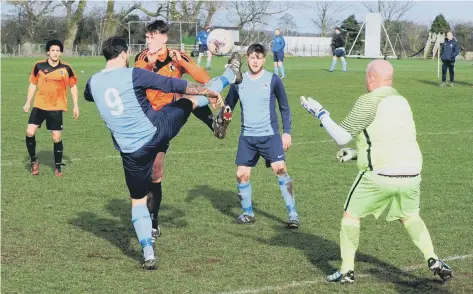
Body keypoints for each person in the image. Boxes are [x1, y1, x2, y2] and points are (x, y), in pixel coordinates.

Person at [300, 60, 453, 283]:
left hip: (380, 175)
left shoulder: (369, 101)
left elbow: (341, 136)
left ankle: (346, 271)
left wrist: (320, 113)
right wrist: (355, 153)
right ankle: (433, 259)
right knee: (410, 216)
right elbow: (388, 138)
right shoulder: (402, 101)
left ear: (371, 78)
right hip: (412, 173)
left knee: (351, 215)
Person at [84, 36, 223, 270]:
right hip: (154, 132)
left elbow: (89, 95)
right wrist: (207, 92)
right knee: (187, 101)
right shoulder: (133, 74)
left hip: (129, 152)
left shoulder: (93, 82)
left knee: (137, 201)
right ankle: (229, 76)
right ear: (124, 54)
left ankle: (148, 253)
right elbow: (173, 85)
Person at [134, 20, 243, 241]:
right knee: (149, 174)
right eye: (146, 37)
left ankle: (153, 225)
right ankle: (230, 78)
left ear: (163, 38)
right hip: (143, 118)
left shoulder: (179, 57)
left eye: (151, 36)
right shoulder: (142, 58)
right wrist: (149, 63)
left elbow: (202, 78)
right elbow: (135, 76)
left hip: (167, 119)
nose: (147, 40)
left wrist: (186, 66)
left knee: (155, 173)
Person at [219, 44, 299, 228]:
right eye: (252, 57)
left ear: (264, 59)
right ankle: (248, 213)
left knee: (280, 170)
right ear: (247, 58)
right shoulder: (238, 82)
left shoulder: (273, 80)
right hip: (247, 137)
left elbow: (284, 108)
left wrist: (286, 132)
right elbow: (229, 107)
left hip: (269, 136)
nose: (255, 61)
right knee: (241, 175)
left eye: (259, 57)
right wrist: (222, 120)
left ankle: (293, 214)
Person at [23, 39, 79, 177]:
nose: (55, 53)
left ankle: (58, 167)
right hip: (40, 105)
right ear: (48, 51)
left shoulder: (66, 68)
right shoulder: (38, 66)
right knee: (30, 132)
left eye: (57, 50)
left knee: (56, 137)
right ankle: (33, 161)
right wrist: (28, 102)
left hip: (56, 107)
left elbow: (73, 86)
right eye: (52, 50)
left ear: (60, 52)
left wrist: (76, 105)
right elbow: (32, 84)